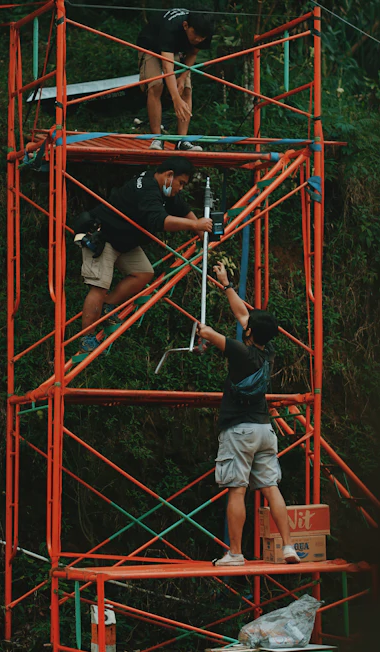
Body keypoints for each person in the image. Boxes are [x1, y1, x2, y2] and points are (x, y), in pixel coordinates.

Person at [197, 263, 300, 566]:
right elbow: (242, 315)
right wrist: (227, 284)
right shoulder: (266, 351)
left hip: (239, 431)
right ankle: (289, 547)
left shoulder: (242, 353)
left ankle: (235, 553)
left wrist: (202, 330)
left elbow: (209, 333)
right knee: (271, 488)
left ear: (251, 332)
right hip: (265, 430)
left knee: (236, 491)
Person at [77, 157, 213, 355]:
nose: (181, 188)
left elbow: (183, 210)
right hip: (103, 236)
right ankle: (85, 337)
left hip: (124, 241)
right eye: (181, 183)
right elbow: (160, 220)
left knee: (143, 272)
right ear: (169, 175)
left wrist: (202, 232)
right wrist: (195, 226)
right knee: (99, 285)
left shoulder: (163, 189)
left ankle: (108, 306)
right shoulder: (147, 189)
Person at [137, 8, 214, 151]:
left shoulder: (204, 31)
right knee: (156, 85)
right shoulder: (170, 27)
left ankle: (181, 141)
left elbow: (193, 52)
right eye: (195, 34)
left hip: (178, 50)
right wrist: (175, 99)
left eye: (201, 37)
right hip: (150, 46)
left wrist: (183, 77)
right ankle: (157, 139)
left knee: (186, 89)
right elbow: (167, 68)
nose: (198, 39)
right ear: (186, 26)